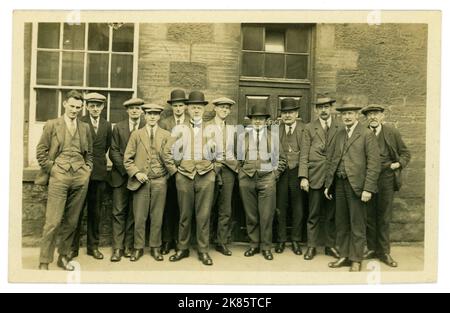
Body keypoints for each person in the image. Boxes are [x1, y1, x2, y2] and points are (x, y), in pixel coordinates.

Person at [35, 90, 93, 271]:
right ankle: (44, 261)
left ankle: (63, 257)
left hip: (79, 177)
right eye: (72, 106)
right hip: (58, 177)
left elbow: (89, 153)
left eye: (78, 107)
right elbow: (41, 152)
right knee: (53, 221)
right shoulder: (52, 125)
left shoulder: (84, 127)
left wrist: (87, 170)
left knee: (72, 221)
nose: (75, 110)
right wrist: (52, 169)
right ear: (64, 104)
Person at [163, 91, 218, 266]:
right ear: (188, 108)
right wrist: (176, 172)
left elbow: (222, 153)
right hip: (184, 176)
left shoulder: (211, 129)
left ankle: (203, 251)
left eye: (199, 107)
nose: (196, 110)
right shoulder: (179, 129)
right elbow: (166, 152)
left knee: (203, 215)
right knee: (184, 215)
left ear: (203, 109)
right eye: (193, 107)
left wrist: (212, 172)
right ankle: (183, 248)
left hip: (205, 176)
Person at [325, 103, 380, 272]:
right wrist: (328, 185)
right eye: (344, 114)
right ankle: (344, 256)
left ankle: (356, 259)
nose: (347, 117)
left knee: (357, 224)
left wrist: (368, 189)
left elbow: (374, 164)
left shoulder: (366, 134)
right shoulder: (340, 133)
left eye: (350, 113)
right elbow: (333, 159)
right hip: (339, 184)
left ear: (357, 115)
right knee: (341, 223)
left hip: (357, 186)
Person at [361, 104, 411, 267]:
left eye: (376, 114)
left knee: (383, 216)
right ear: (366, 118)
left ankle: (384, 252)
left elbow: (405, 153)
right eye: (370, 115)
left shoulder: (392, 132)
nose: (373, 117)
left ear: (382, 116)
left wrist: (398, 164)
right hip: (368, 178)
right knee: (368, 215)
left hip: (386, 178)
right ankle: (371, 248)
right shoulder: (362, 132)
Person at [124, 103, 174, 262]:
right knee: (139, 217)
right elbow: (127, 159)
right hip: (141, 181)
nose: (152, 117)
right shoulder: (136, 135)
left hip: (159, 180)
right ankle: (138, 248)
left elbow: (170, 158)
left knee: (157, 216)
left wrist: (166, 176)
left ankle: (155, 247)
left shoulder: (166, 135)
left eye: (155, 114)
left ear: (159, 116)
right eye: (149, 114)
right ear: (144, 115)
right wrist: (136, 173)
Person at [238, 103, 287, 261]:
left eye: (261, 119)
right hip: (247, 179)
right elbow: (236, 158)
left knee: (266, 215)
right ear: (251, 121)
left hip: (267, 179)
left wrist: (274, 175)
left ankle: (266, 247)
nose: (258, 121)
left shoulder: (273, 137)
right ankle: (253, 245)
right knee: (251, 214)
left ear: (266, 121)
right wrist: (242, 173)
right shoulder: (242, 137)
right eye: (255, 119)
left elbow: (282, 161)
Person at [70, 92, 112, 261]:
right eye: (92, 106)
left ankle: (92, 247)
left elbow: (106, 146)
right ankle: (72, 248)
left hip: (99, 174)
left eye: (98, 106)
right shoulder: (80, 122)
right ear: (87, 107)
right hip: (80, 172)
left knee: (96, 212)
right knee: (76, 212)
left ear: (103, 107)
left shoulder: (107, 125)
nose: (95, 109)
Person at [299, 96, 341, 260]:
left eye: (326, 107)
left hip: (333, 177)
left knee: (331, 214)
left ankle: (330, 246)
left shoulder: (340, 126)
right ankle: (312, 246)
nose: (323, 110)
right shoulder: (309, 128)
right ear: (316, 110)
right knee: (313, 213)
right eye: (320, 107)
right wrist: (304, 177)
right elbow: (304, 154)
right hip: (315, 176)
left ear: (331, 109)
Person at [109, 98, 146, 262]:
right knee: (118, 212)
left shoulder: (147, 126)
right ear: (127, 111)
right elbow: (113, 151)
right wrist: (128, 170)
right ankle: (117, 248)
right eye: (132, 109)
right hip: (121, 177)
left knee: (134, 213)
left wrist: (137, 173)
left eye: (137, 108)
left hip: (140, 177)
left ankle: (129, 246)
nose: (135, 111)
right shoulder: (118, 127)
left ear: (141, 111)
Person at [205, 97, 239, 256]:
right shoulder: (206, 127)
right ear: (215, 109)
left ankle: (221, 241)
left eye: (227, 108)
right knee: (207, 206)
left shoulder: (233, 129)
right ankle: (204, 240)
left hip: (228, 171)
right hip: (210, 169)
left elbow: (238, 150)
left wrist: (236, 165)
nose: (224, 110)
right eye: (221, 107)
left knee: (225, 208)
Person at [158, 89, 191, 255]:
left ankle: (180, 241)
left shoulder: (191, 122)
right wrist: (172, 170)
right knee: (168, 206)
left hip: (186, 172)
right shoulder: (165, 122)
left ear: (185, 107)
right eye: (175, 105)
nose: (178, 108)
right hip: (169, 172)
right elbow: (161, 148)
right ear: (171, 107)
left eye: (181, 105)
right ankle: (166, 241)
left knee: (182, 208)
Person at [274, 98, 306, 256]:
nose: (287, 116)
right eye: (285, 113)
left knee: (298, 207)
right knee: (280, 206)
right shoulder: (275, 129)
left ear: (296, 113)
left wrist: (304, 175)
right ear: (281, 115)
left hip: (298, 172)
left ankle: (295, 240)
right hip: (280, 173)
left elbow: (306, 153)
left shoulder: (304, 128)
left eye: (291, 112)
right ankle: (280, 240)